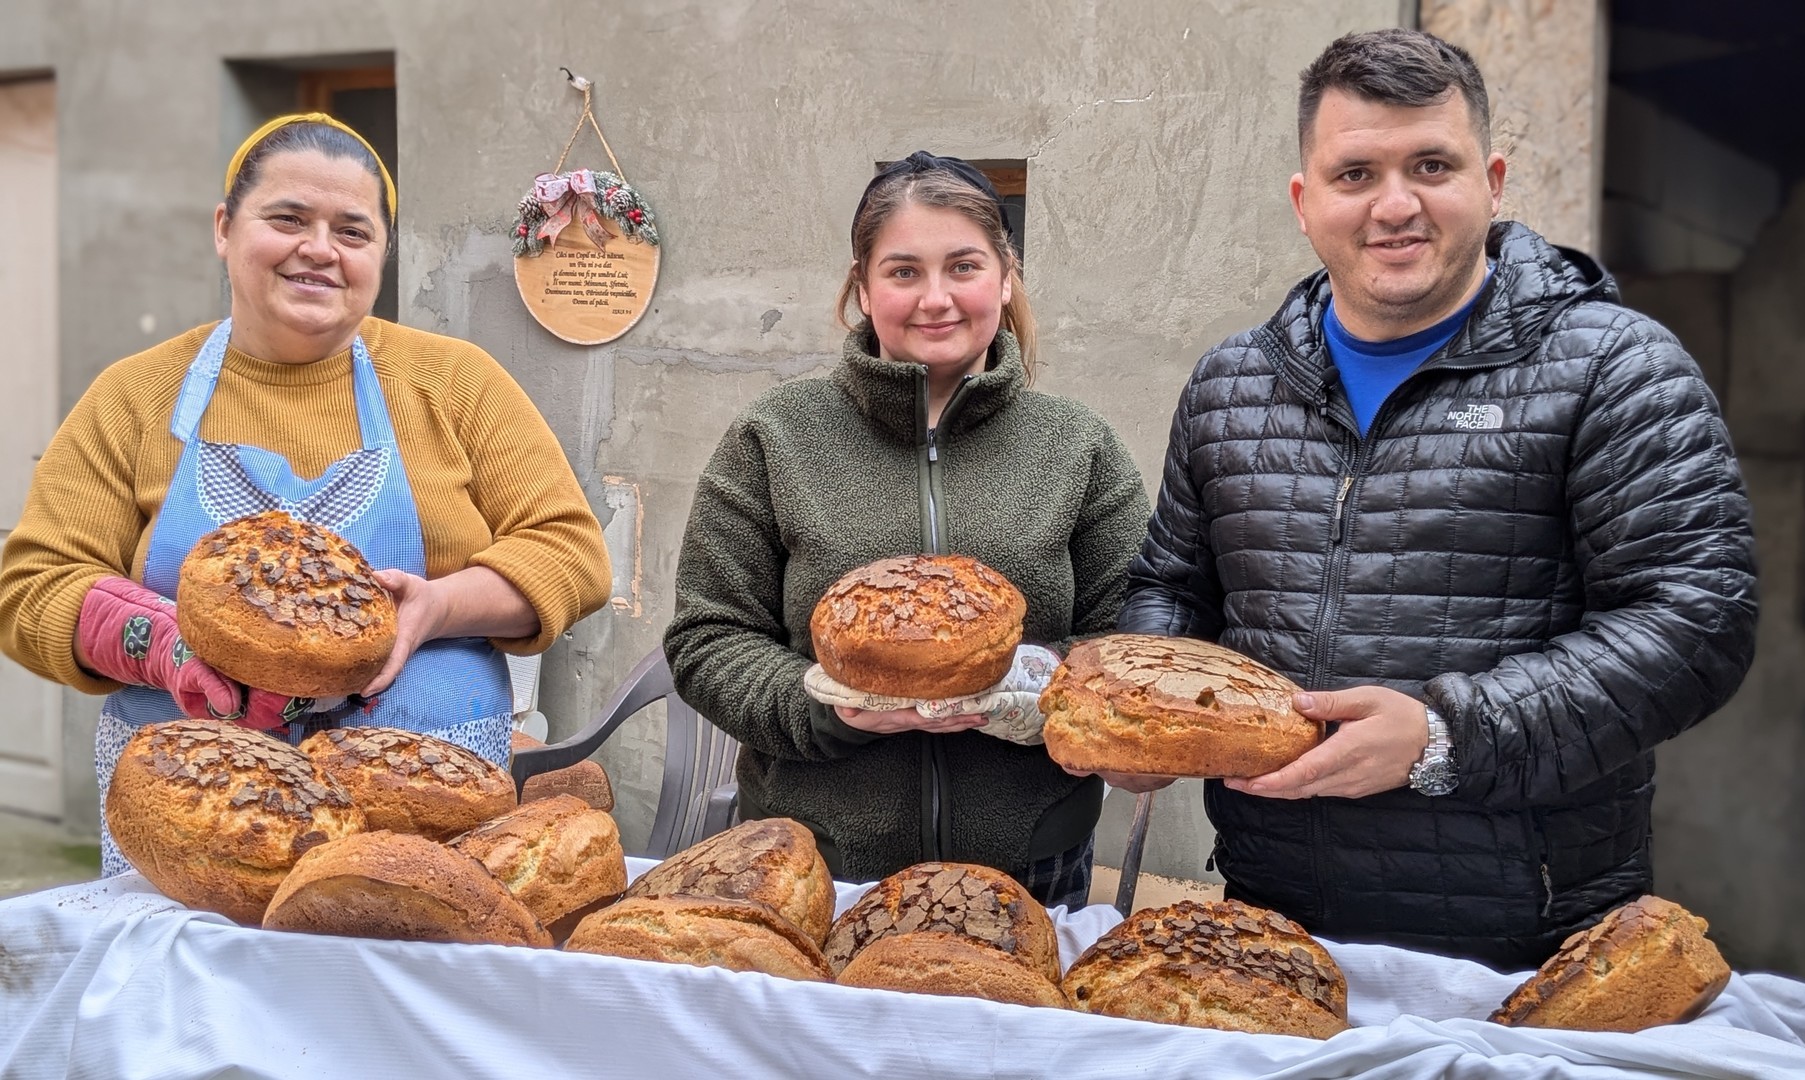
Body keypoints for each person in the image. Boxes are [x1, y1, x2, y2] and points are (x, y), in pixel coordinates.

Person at [1117, 29, 1758, 969]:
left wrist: (1449, 732)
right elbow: (1172, 581)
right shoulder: (1233, 383)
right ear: (1305, 202)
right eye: (1355, 174)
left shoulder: (1615, 367)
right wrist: (1147, 700)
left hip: (1529, 943)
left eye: (1432, 165)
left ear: (1492, 180)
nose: (1396, 205)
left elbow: (1697, 621)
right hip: (1271, 922)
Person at [0, 114, 611, 875]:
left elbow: (570, 551)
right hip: (193, 820)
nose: (319, 249)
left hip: (419, 808)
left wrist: (436, 608)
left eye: (352, 232)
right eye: (287, 218)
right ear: (225, 228)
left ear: (381, 254)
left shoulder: (454, 384)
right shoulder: (133, 396)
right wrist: (168, 647)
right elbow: (33, 586)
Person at [664, 152, 1150, 907]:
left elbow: (1126, 639)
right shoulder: (776, 436)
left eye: (963, 266)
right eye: (902, 272)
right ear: (861, 287)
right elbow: (707, 638)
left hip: (1029, 863)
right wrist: (822, 707)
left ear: (1006, 275)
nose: (935, 299)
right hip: (819, 861)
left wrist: (1032, 691)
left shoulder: (1077, 445)